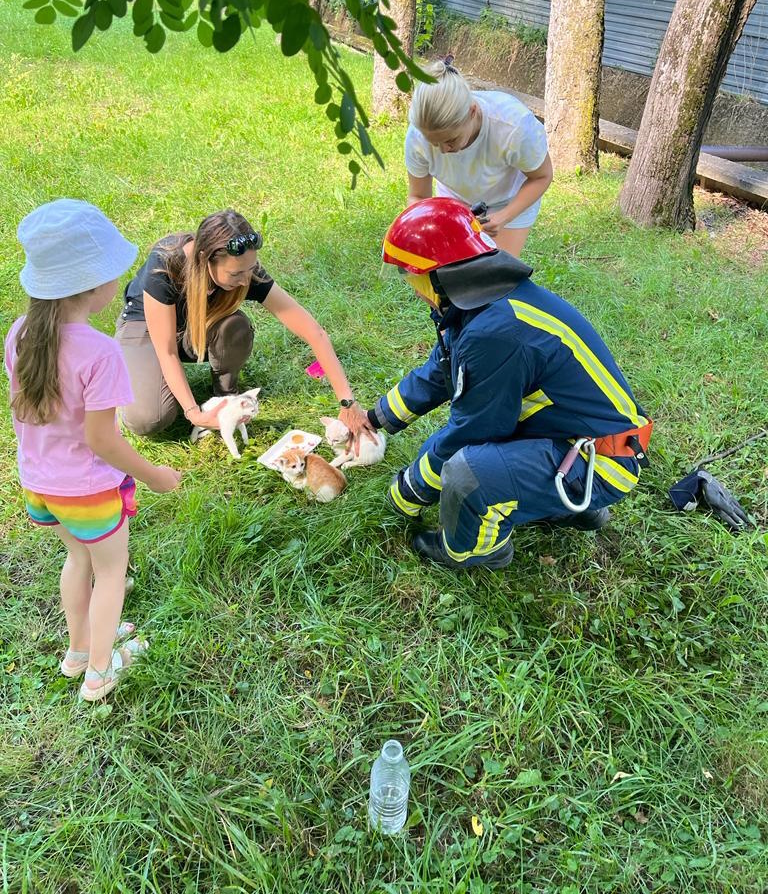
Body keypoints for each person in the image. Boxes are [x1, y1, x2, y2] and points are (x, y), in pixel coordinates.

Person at [368, 197, 652, 569]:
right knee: (480, 453)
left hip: (600, 461)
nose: (414, 288)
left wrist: (408, 491)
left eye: (414, 277)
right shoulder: (484, 305)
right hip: (586, 440)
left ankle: (477, 551)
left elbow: (473, 431)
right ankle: (570, 507)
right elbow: (441, 372)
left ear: (443, 274)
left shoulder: (494, 331)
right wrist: (376, 419)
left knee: (468, 471)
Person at [5, 199, 182, 701]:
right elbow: (100, 439)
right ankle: (101, 671)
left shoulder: (19, 334)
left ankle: (79, 648)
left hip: (41, 486)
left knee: (77, 560)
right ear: (93, 286)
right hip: (86, 491)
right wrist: (152, 474)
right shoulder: (100, 352)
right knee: (110, 573)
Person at [116, 208, 372, 442]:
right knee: (149, 419)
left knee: (234, 326)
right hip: (146, 330)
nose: (245, 280)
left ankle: (225, 396)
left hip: (194, 330)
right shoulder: (166, 264)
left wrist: (347, 402)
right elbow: (167, 350)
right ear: (206, 259)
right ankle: (126, 385)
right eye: (235, 274)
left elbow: (313, 332)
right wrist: (194, 414)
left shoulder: (245, 271)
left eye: (249, 270)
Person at [405, 59, 553, 258]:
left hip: (509, 200)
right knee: (441, 276)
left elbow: (542, 177)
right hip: (453, 200)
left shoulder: (514, 126)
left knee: (493, 277)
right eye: (433, 142)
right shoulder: (417, 137)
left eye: (450, 140)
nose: (442, 150)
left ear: (472, 112)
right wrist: (426, 236)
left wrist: (503, 217)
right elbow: (419, 197)